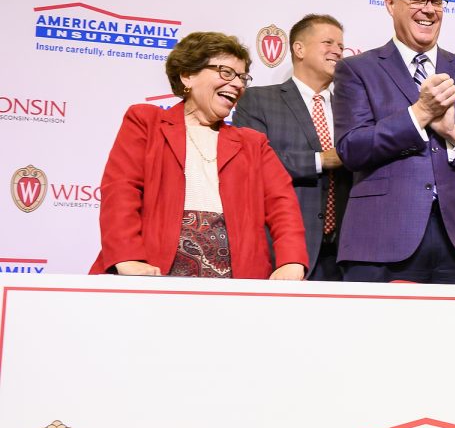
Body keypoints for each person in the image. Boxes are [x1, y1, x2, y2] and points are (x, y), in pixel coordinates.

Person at [332, 0, 455, 284]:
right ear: (390, 4)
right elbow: (352, 148)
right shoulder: (356, 70)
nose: (428, 10)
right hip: (381, 241)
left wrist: (453, 134)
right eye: (417, 0)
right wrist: (418, 114)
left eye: (436, 2)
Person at [90, 32, 306, 280]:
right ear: (188, 75)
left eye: (242, 77)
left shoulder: (253, 143)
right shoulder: (145, 122)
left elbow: (283, 204)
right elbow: (121, 190)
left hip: (237, 280)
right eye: (226, 72)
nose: (237, 84)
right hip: (154, 272)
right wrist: (127, 257)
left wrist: (291, 260)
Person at [233, 14, 350, 281]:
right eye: (328, 42)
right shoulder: (258, 100)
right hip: (284, 249)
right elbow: (253, 163)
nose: (338, 51)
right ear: (299, 49)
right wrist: (322, 160)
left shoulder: (353, 105)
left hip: (345, 252)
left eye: (341, 46)